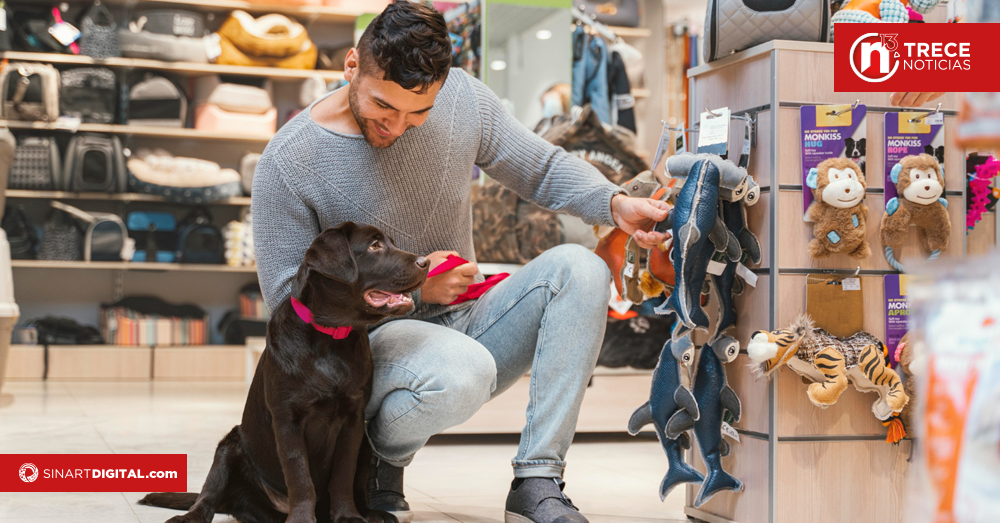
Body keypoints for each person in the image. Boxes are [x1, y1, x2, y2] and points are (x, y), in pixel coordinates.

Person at [251, 3, 668, 523]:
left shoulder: (464, 99)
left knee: (581, 271)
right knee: (462, 372)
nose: (399, 126)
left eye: (418, 113)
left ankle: (538, 478)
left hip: (465, 318)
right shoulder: (290, 161)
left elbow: (539, 166)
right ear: (352, 66)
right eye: (385, 107)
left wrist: (614, 203)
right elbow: (288, 306)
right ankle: (379, 463)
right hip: (364, 347)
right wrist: (414, 291)